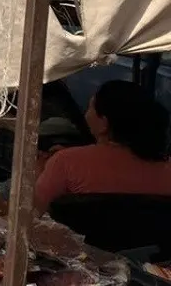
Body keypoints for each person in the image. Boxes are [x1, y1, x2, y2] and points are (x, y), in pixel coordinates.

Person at [34, 80, 171, 214]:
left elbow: (32, 214)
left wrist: (40, 172)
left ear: (104, 124)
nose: (85, 113)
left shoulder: (65, 163)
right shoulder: (167, 171)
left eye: (90, 107)